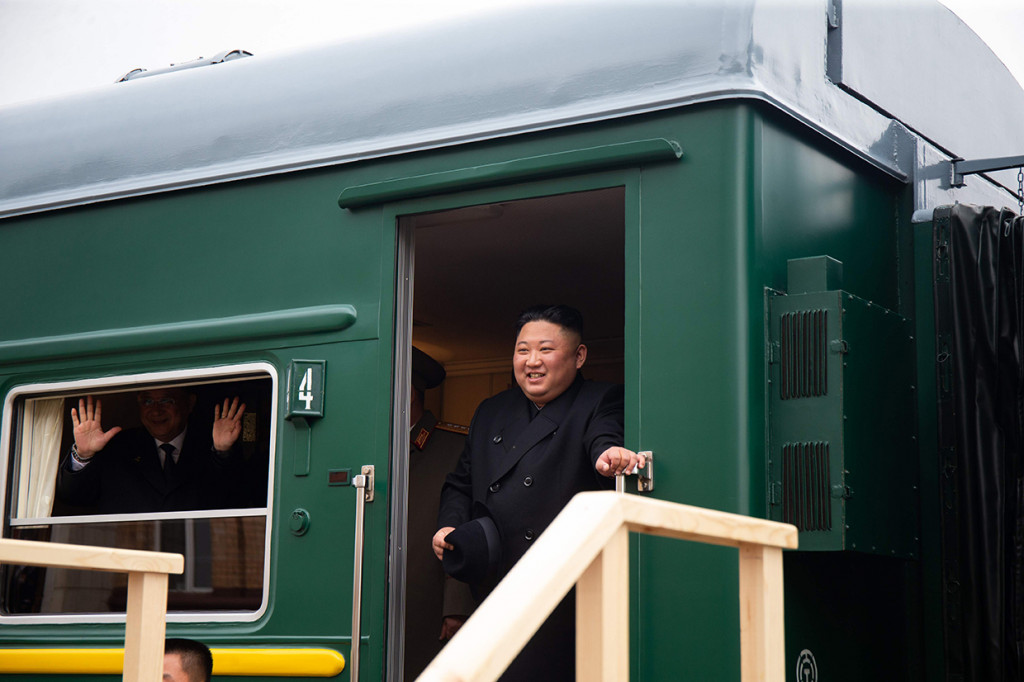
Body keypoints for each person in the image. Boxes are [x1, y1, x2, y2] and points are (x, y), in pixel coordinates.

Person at [432, 304, 644, 681]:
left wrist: (608, 457)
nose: (532, 361)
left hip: (560, 596)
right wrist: (448, 527)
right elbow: (460, 482)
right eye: (522, 349)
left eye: (546, 349)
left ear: (579, 356)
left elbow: (604, 437)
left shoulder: (600, 399)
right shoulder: (491, 410)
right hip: (493, 587)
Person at [55, 387, 246, 514]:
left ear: (189, 403)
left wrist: (222, 452)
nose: (155, 411)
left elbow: (234, 496)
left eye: (166, 401)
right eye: (147, 402)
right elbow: (73, 497)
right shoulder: (117, 447)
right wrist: (84, 455)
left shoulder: (210, 445)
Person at [405, 347, 476, 680]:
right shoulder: (371, 445)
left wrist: (457, 605)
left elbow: (470, 525)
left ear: (409, 395)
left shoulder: (455, 447)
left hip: (429, 604)